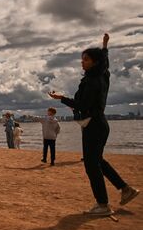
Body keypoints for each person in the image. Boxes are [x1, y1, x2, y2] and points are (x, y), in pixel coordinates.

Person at [49, 33, 139, 215]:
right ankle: (125, 189)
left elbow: (82, 105)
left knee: (91, 166)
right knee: (97, 161)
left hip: (93, 125)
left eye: (86, 60)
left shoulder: (92, 81)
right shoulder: (103, 74)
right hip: (100, 124)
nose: (82, 62)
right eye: (82, 59)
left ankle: (103, 205)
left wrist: (62, 98)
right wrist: (105, 45)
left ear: (94, 62)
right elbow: (105, 60)